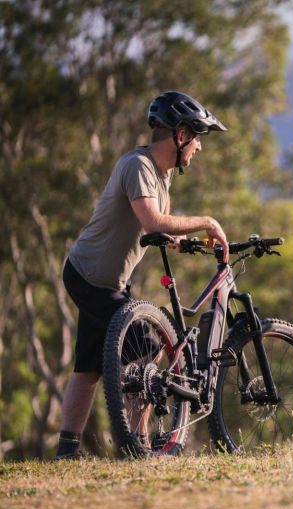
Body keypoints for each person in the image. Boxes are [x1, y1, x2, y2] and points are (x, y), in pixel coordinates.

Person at [56, 91, 229, 459]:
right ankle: (139, 447)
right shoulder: (138, 165)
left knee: (88, 368)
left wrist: (186, 242)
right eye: (197, 137)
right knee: (145, 351)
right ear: (181, 136)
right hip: (90, 275)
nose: (199, 147)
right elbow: (153, 220)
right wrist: (208, 222)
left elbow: (158, 231)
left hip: (101, 279)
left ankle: (67, 449)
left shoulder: (160, 175)